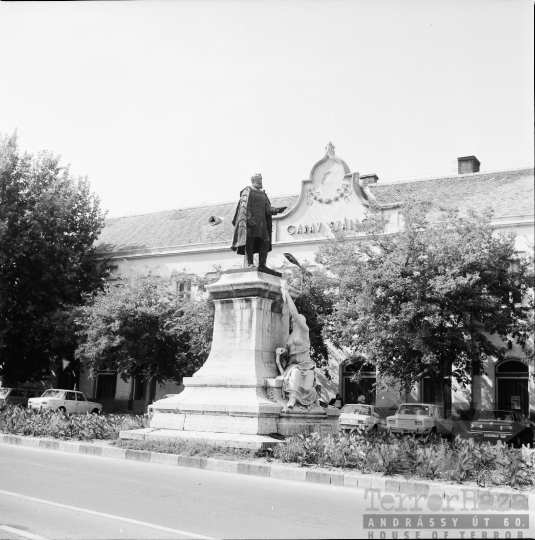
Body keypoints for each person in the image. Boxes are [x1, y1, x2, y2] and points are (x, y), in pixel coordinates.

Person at [231, 174, 287, 268]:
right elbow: (244, 206)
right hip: (252, 221)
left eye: (261, 180)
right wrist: (248, 219)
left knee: (265, 241)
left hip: (262, 223)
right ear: (254, 181)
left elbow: (267, 209)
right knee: (250, 241)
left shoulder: (263, 194)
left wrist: (277, 210)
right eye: (259, 180)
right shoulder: (248, 191)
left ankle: (262, 264)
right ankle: (250, 263)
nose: (261, 182)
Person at [277, 281, 318, 410]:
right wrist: (280, 353)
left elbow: (294, 313)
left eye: (299, 319)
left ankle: (313, 402)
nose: (295, 319)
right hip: (293, 366)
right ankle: (292, 399)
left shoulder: (305, 332)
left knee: (307, 389)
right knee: (294, 372)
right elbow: (287, 355)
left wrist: (286, 293)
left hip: (306, 366)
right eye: (295, 319)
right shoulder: (289, 336)